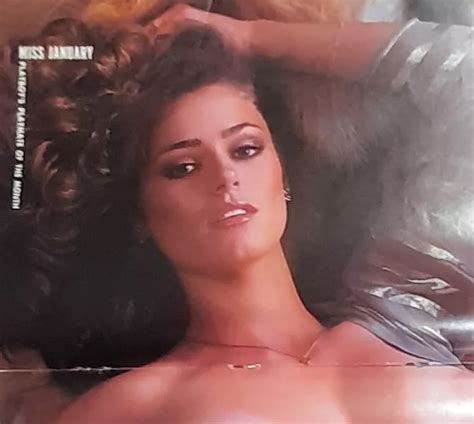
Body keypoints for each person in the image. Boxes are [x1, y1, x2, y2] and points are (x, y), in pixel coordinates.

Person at [0, 5, 472, 424]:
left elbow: (464, 74)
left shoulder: (408, 305)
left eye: (245, 149)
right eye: (182, 167)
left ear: (283, 173)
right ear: (140, 214)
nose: (225, 177)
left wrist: (251, 37)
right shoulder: (133, 406)